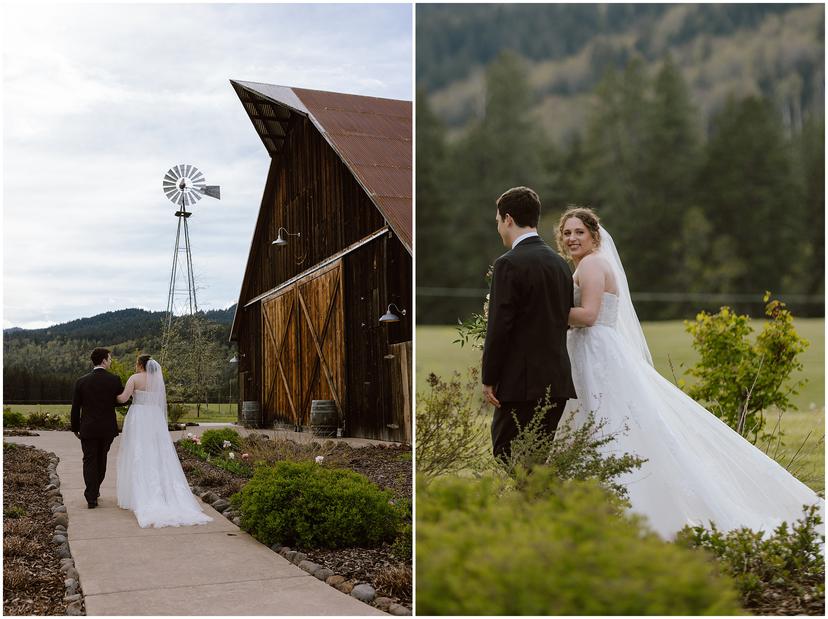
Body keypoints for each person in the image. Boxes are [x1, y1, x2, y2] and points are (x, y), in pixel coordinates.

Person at [558, 206, 824, 538]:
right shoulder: (589, 264)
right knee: (603, 424)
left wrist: (545, 310)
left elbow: (589, 314)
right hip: (594, 350)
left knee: (609, 423)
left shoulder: (593, 264)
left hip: (597, 352)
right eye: (567, 233)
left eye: (578, 232)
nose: (572, 238)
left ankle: (622, 510)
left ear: (594, 235)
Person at [482, 187, 577, 460]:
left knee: (505, 451)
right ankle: (540, 502)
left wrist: (490, 377)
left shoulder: (508, 263)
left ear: (508, 219)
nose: (499, 227)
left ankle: (543, 499)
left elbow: (500, 327)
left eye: (498, 221)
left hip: (521, 384)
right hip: (556, 380)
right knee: (536, 458)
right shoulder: (560, 264)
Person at [115, 354, 212, 528]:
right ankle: (165, 492)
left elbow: (123, 398)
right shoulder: (158, 380)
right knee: (159, 452)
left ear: (140, 365)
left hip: (139, 417)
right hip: (155, 417)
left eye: (136, 363)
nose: (135, 366)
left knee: (139, 451)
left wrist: (110, 396)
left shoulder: (134, 378)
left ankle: (140, 494)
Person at [70, 347, 124, 508]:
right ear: (104, 360)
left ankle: (91, 496)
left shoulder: (81, 381)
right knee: (101, 459)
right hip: (107, 429)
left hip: (88, 428)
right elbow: (120, 400)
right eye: (110, 358)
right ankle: (95, 490)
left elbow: (75, 407)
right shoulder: (114, 380)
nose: (111, 360)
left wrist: (75, 427)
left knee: (89, 460)